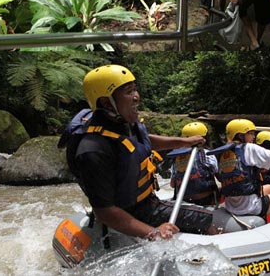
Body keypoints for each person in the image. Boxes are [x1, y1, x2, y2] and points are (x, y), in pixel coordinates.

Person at [60, 65, 219, 240]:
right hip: (133, 214)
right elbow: (104, 211)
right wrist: (153, 232)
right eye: (129, 92)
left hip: (146, 203)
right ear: (106, 103)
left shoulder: (119, 124)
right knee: (216, 224)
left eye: (135, 89)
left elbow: (141, 142)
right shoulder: (93, 150)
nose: (136, 97)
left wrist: (184, 142)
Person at [216, 119, 270, 220]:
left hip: (231, 205)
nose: (254, 137)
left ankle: (266, 218)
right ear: (240, 136)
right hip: (249, 207)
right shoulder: (249, 148)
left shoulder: (223, 152)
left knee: (269, 188)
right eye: (251, 133)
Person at [169, 122, 219, 206]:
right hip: (205, 200)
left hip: (184, 201)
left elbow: (172, 185)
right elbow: (219, 177)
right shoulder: (207, 154)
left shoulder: (177, 157)